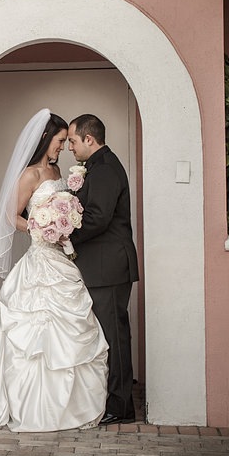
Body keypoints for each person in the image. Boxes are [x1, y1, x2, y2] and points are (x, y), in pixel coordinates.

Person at [0, 109, 108, 432]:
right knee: (34, 335)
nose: (62, 147)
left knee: (73, 327)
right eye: (58, 141)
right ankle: (29, 404)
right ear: (44, 140)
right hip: (40, 257)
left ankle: (72, 405)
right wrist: (40, 228)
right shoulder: (29, 175)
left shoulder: (59, 172)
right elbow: (10, 216)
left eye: (65, 142)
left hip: (62, 258)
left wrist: (64, 223)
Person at [67, 113, 139, 425]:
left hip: (109, 265)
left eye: (72, 140)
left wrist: (64, 233)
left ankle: (121, 407)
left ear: (89, 139)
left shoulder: (106, 169)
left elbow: (97, 217)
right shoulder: (96, 167)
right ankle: (110, 399)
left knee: (115, 335)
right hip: (101, 265)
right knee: (107, 335)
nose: (70, 147)